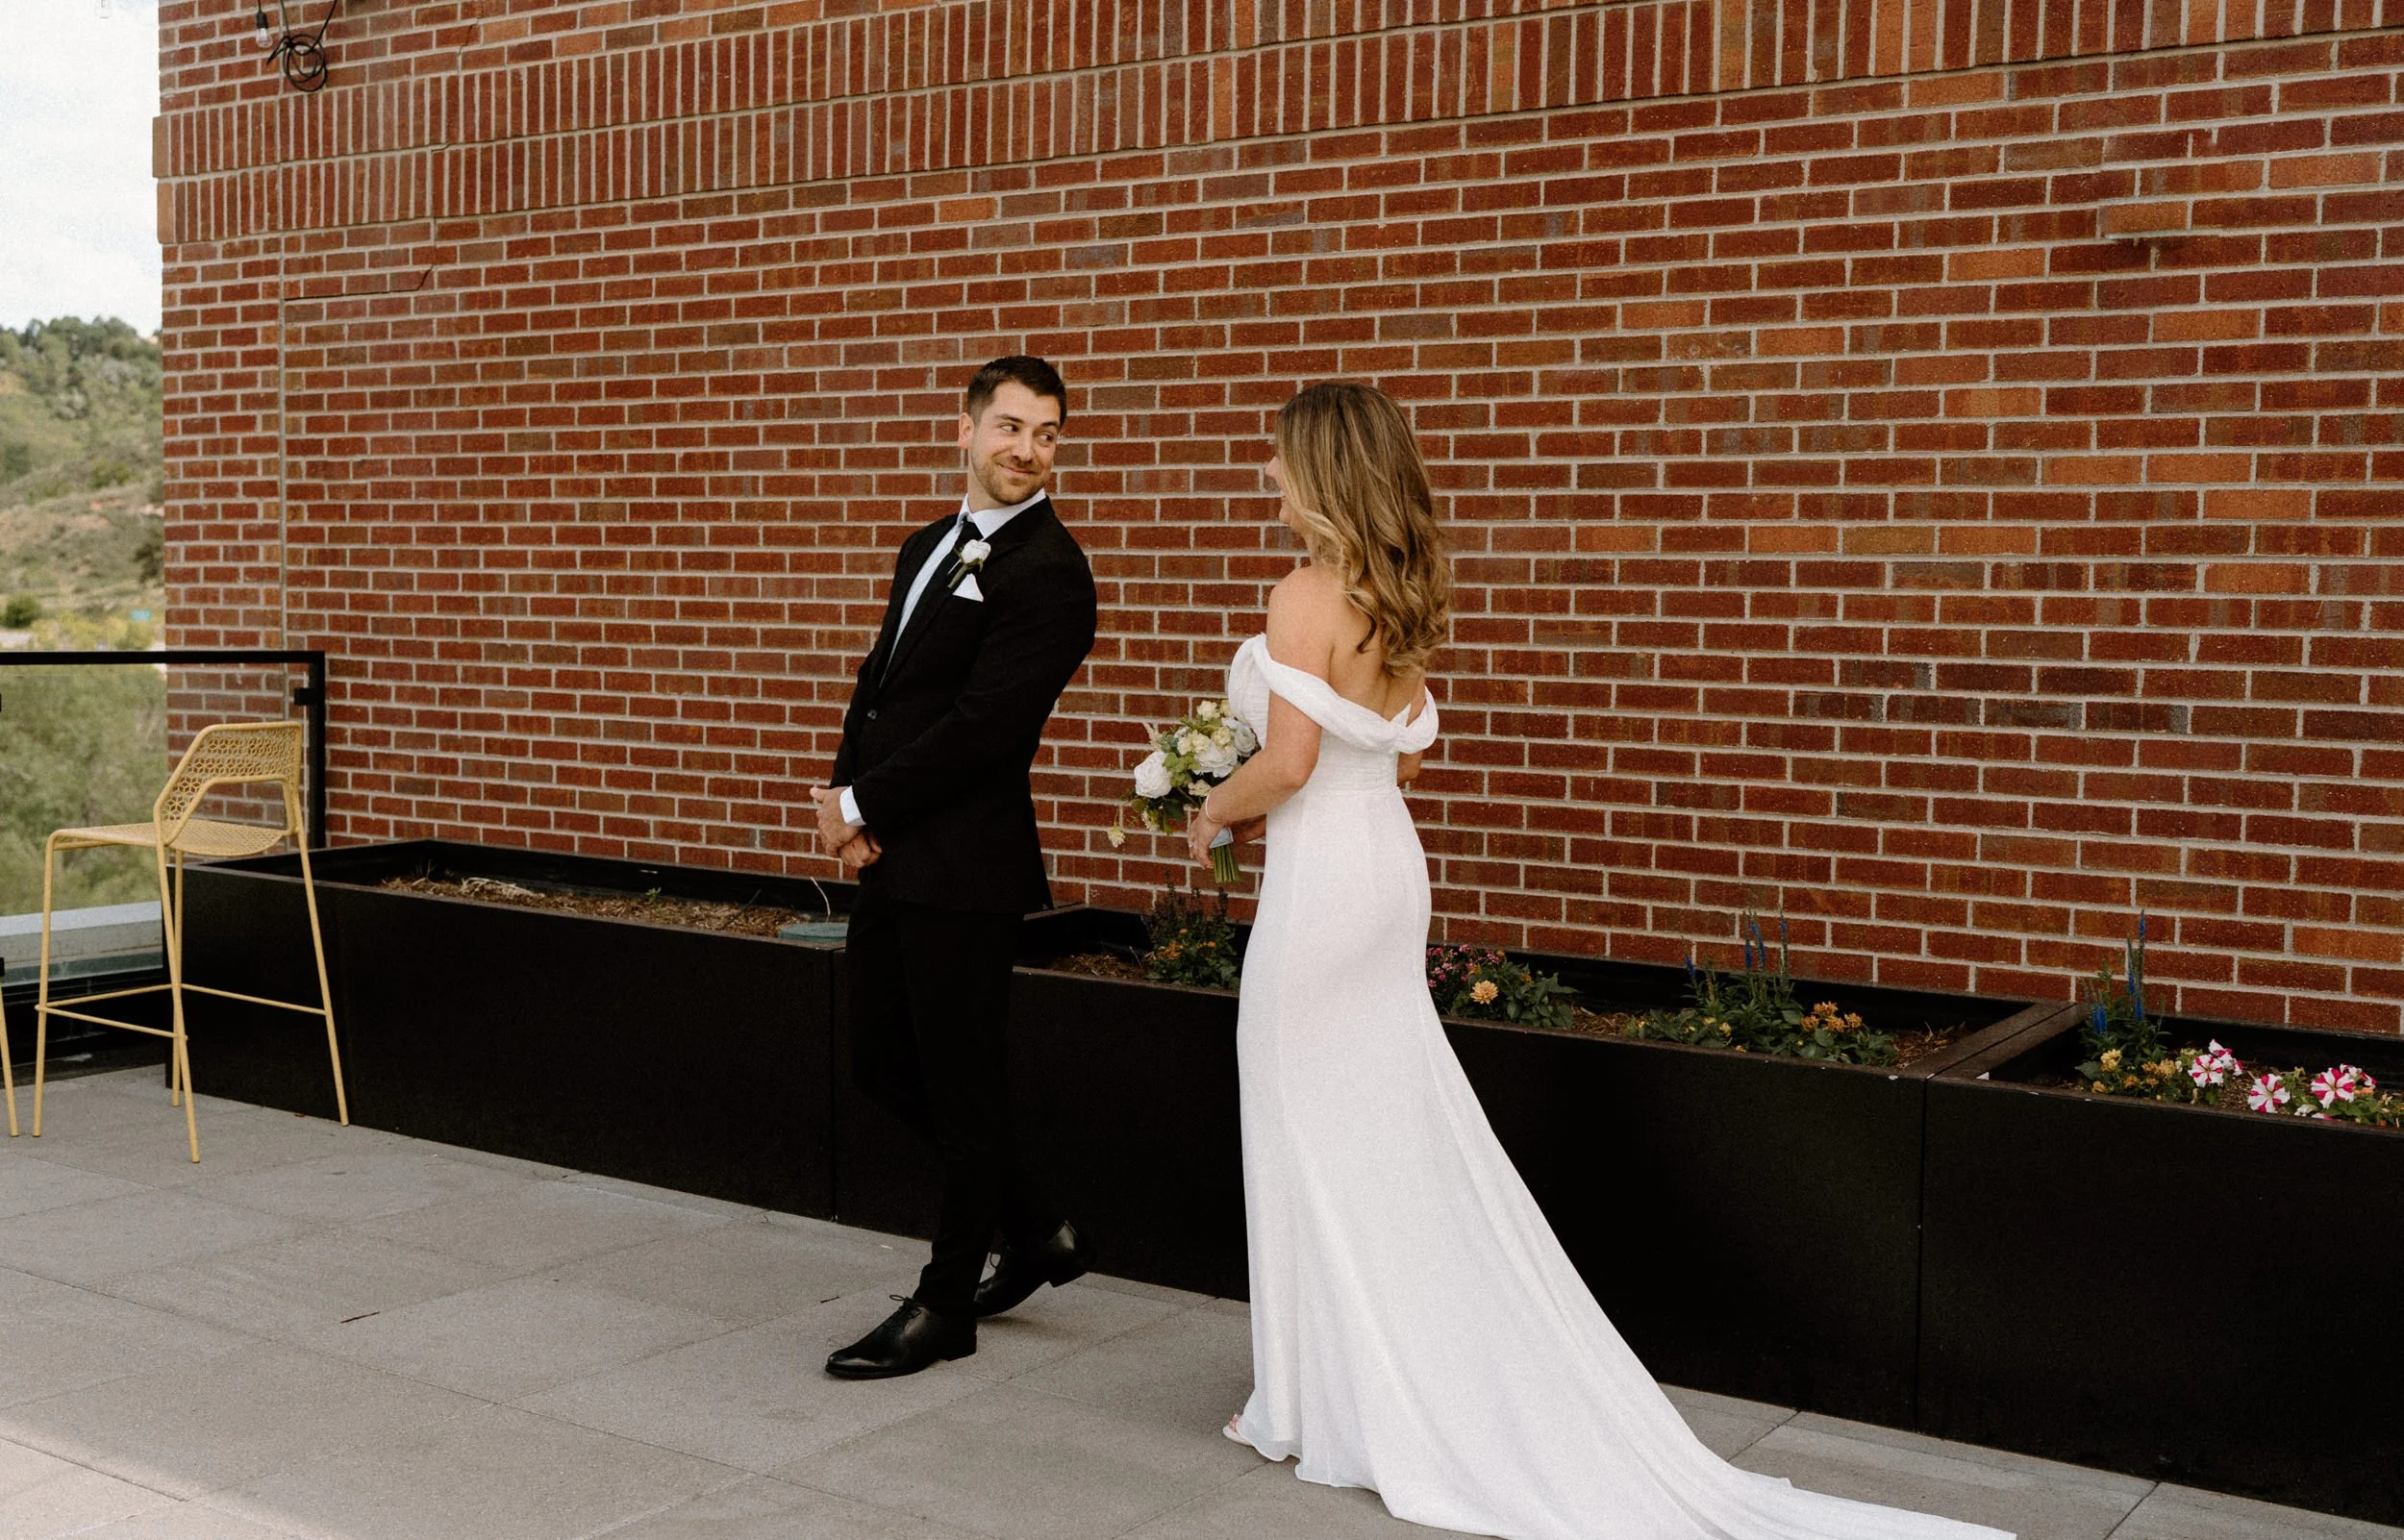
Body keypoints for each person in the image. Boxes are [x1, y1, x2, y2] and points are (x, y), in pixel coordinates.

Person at [1180, 381, 2012, 1539]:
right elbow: (1401, 763)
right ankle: (1333, 1376)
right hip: (1388, 874)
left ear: (1318, 470)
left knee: (1298, 1118)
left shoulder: (1302, 593)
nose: (1264, 477)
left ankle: (1307, 1397)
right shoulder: (1401, 594)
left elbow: (1292, 760)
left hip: (1319, 887)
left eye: (1276, 460)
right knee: (1383, 1118)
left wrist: (1212, 809)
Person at [812, 356, 1099, 1379]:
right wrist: (845, 799)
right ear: (967, 428)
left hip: (969, 870)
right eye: (1012, 426)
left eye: (1049, 434)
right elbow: (879, 685)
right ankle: (1035, 1227)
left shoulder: (1054, 574)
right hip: (894, 855)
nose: (1029, 449)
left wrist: (863, 801)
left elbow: (986, 730)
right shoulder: (927, 545)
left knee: (964, 1086)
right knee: (880, 1061)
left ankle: (945, 1305)